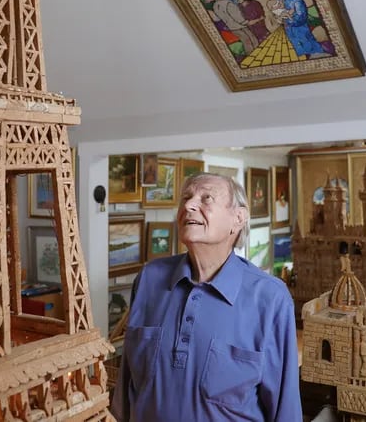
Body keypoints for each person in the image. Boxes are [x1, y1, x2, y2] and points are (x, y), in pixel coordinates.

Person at [111, 173, 302, 421]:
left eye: (206, 198)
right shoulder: (149, 279)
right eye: (186, 197)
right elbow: (126, 387)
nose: (189, 205)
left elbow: (285, 409)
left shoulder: (270, 298)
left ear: (238, 218)